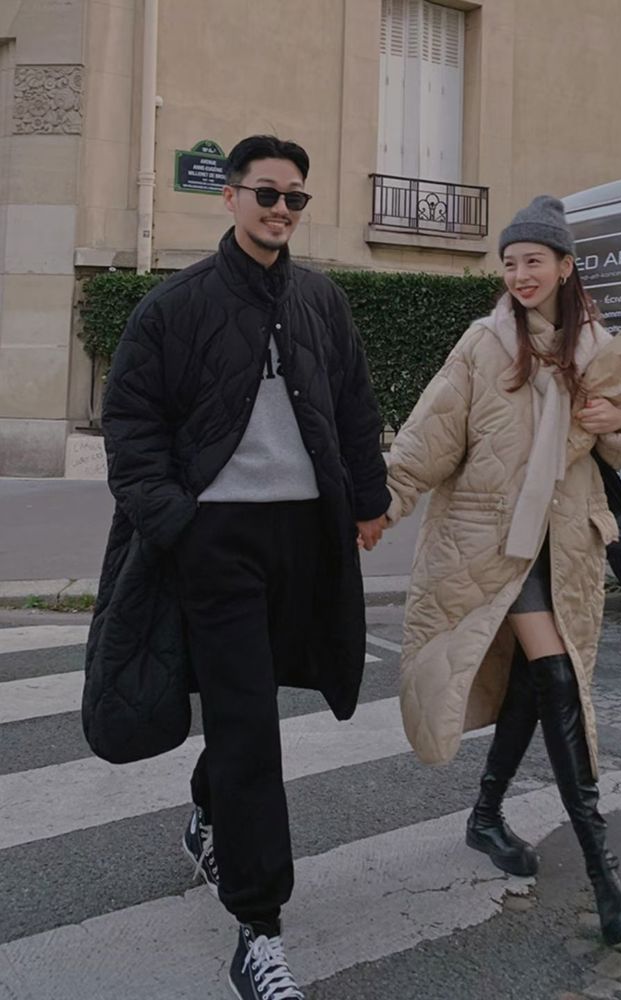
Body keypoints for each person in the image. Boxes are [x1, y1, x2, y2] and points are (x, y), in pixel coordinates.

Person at [95, 134, 390, 999]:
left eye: (295, 197)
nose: (281, 209)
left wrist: (367, 502)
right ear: (229, 197)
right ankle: (258, 927)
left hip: (302, 540)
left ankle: (208, 810)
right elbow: (131, 428)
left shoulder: (320, 298)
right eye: (266, 193)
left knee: (248, 707)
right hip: (214, 543)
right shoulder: (173, 306)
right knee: (250, 725)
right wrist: (179, 528)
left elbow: (352, 402)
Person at [384, 195, 621, 946]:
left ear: (565, 266)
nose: (520, 273)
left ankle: (484, 815)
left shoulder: (601, 348)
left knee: (538, 685)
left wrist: (618, 423)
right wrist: (375, 510)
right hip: (494, 545)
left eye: (533, 260)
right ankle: (604, 875)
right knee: (557, 678)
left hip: (566, 545)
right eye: (509, 262)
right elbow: (428, 439)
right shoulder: (483, 344)